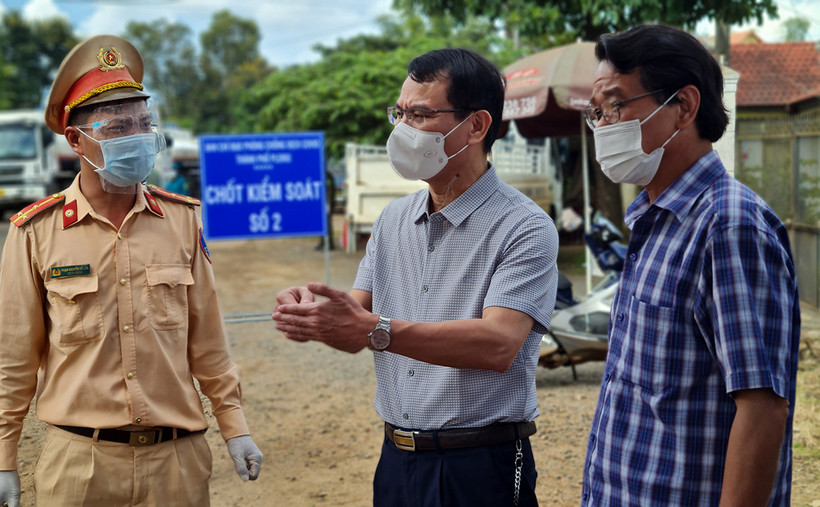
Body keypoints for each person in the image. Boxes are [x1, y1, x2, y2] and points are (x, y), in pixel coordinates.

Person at [0, 35, 262, 507]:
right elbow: (13, 358)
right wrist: (0, 459)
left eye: (144, 123)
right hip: (79, 465)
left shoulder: (181, 219)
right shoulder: (35, 232)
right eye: (117, 127)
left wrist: (235, 427)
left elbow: (209, 342)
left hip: (177, 461)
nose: (137, 137)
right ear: (76, 140)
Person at [273, 48, 558, 506]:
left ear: (477, 126)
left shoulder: (523, 226)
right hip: (397, 459)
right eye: (400, 113)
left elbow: (499, 344)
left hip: (483, 463)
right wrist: (317, 312)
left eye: (421, 114)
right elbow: (356, 326)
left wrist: (376, 330)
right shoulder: (392, 221)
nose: (403, 129)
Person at [581, 24, 800, 506]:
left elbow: (762, 408)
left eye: (616, 105)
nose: (603, 125)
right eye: (596, 112)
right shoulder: (654, 220)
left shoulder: (728, 226)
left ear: (682, 107)